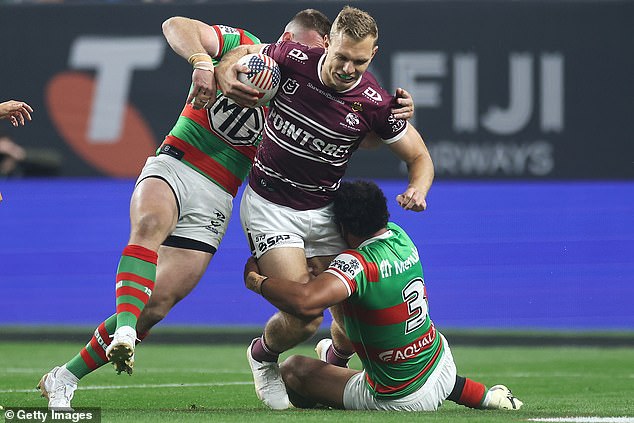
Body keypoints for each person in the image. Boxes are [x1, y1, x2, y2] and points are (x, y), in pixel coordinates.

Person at [36, 10, 414, 410]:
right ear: (286, 37)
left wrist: (398, 112)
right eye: (297, 43)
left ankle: (63, 376)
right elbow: (174, 25)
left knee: (158, 303)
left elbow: (366, 133)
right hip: (179, 160)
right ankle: (125, 332)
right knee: (149, 224)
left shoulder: (309, 87)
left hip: (220, 194)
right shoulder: (247, 51)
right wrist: (206, 63)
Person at [214, 6, 433, 409]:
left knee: (357, 314)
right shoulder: (290, 58)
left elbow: (419, 156)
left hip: (324, 209)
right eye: (342, 57)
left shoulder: (374, 102)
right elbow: (236, 54)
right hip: (271, 205)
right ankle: (262, 356)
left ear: (374, 54)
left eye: (360, 61)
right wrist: (229, 74)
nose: (348, 68)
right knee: (305, 317)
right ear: (328, 42)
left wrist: (417, 189)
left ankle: (334, 360)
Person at [243, 180, 523, 411]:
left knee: (294, 371)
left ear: (343, 228)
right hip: (441, 362)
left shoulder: (358, 265)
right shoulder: (401, 236)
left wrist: (258, 281)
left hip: (400, 398)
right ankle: (488, 397)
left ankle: (290, 365)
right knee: (358, 309)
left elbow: (305, 301)